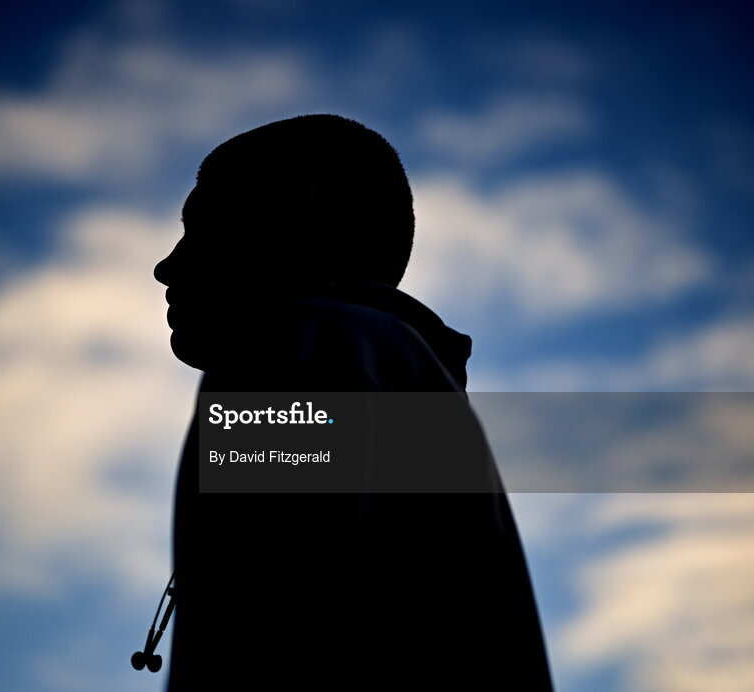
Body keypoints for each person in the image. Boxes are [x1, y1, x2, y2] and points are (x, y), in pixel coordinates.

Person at [153, 114, 553, 689]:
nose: (168, 265)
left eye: (203, 227)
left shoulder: (302, 345)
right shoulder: (396, 378)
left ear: (289, 214)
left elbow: (272, 632)